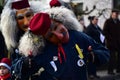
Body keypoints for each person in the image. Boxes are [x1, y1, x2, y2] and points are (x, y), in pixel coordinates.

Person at [11, 7, 109, 80]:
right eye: (50, 36)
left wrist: (95, 56)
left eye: (56, 27)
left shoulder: (78, 36)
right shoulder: (40, 51)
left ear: (60, 21)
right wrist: (24, 65)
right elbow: (15, 70)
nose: (59, 35)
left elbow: (104, 52)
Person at [103, 9, 120, 75]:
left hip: (118, 43)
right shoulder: (108, 21)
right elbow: (105, 32)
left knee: (119, 57)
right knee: (112, 57)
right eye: (114, 14)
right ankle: (110, 70)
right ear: (112, 14)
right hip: (111, 43)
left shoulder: (118, 22)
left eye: (117, 15)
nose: (116, 16)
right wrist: (110, 39)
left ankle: (118, 69)